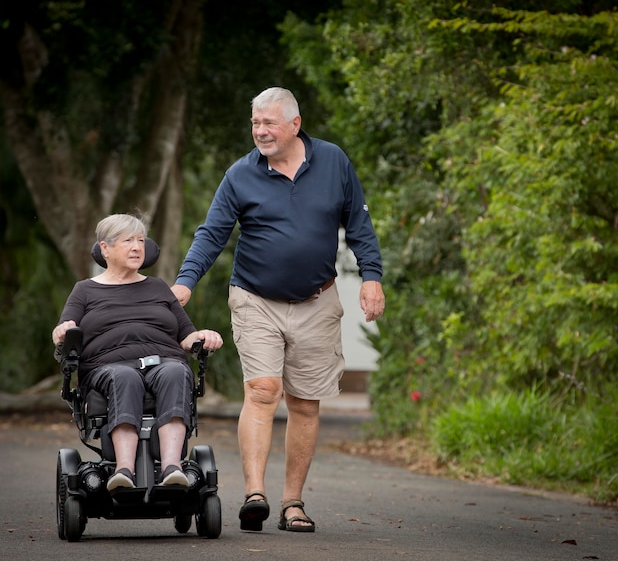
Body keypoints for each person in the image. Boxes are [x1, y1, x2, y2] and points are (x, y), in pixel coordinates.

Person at [171, 87, 385, 533]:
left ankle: (293, 503)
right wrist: (185, 282)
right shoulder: (240, 175)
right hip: (255, 298)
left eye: (268, 123)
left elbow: (359, 224)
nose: (260, 131)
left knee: (305, 403)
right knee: (264, 390)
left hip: (317, 300)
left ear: (294, 124)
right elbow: (212, 233)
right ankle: (255, 494)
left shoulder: (333, 162)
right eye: (255, 123)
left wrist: (371, 277)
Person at [52, 213, 224, 493]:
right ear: (105, 248)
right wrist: (62, 331)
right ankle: (123, 470)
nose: (137, 247)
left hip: (162, 361)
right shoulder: (85, 291)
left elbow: (185, 334)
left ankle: (172, 468)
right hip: (107, 367)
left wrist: (204, 336)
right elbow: (63, 329)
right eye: (128, 241)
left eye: (141, 241)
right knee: (124, 377)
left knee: (176, 371)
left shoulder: (157, 287)